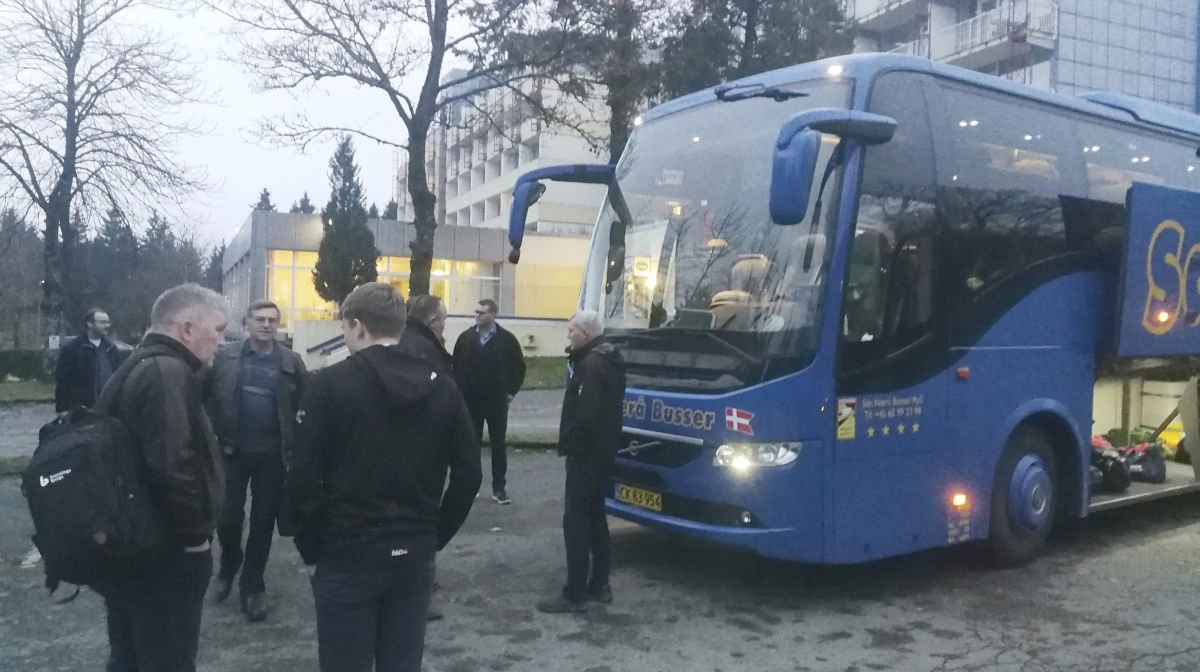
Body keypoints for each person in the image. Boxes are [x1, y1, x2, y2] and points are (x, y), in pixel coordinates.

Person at [290, 282, 481, 672]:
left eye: (345, 328)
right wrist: (434, 535)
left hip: (346, 551)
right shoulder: (443, 387)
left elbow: (303, 476)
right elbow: (470, 475)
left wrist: (309, 549)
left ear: (357, 326)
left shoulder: (328, 385)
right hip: (413, 552)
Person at [96, 284, 228, 671]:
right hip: (163, 551)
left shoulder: (138, 363)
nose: (222, 341)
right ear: (187, 329)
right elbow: (173, 465)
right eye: (218, 330)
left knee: (131, 655)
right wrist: (194, 540)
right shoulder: (166, 371)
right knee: (166, 658)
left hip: (134, 544)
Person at [205, 299, 307, 622]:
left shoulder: (291, 362)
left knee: (263, 524)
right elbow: (204, 399)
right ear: (246, 322)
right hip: (231, 452)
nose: (266, 325)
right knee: (227, 517)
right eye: (260, 319)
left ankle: (252, 586)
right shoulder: (224, 358)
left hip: (273, 457)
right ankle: (229, 563)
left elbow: (305, 408)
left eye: (272, 320)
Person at [538, 310, 626, 614]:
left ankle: (575, 592)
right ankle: (599, 583)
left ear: (585, 335)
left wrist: (573, 446)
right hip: (602, 453)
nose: (569, 335)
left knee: (575, 520)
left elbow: (586, 414)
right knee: (595, 516)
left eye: (572, 330)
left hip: (586, 455)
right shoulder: (608, 359)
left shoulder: (591, 365)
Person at [397, 293, 454, 623]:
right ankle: (417, 590)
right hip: (421, 455)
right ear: (433, 322)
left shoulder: (405, 342)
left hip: (409, 452)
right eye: (443, 320)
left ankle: (417, 583)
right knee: (418, 524)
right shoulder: (423, 352)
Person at [452, 298, 526, 505]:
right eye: (475, 312)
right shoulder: (466, 339)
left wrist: (510, 392)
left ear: (493, 314)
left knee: (498, 444)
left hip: (496, 402)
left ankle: (499, 488)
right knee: (470, 444)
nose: (477, 316)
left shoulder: (507, 340)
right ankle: (472, 485)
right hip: (470, 401)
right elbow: (455, 367)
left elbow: (518, 367)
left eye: (482, 313)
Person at [54, 308, 122, 415]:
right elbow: (63, 380)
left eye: (108, 322)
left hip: (108, 411)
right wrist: (62, 409)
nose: (107, 325)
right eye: (103, 322)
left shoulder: (111, 349)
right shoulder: (72, 349)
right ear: (90, 324)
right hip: (80, 412)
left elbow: (119, 378)